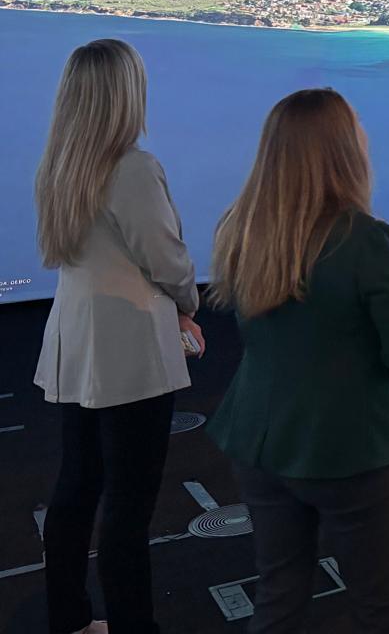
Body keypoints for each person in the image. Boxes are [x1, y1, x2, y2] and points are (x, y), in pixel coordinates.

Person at [207, 89, 389, 634]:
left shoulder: (242, 228)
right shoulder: (367, 240)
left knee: (278, 595)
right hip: (349, 448)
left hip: (258, 441)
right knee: (381, 609)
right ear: (342, 150)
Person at [33, 39, 203, 634]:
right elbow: (169, 261)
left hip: (74, 342)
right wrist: (189, 305)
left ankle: (70, 620)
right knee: (129, 504)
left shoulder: (60, 162)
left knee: (76, 486)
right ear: (125, 94)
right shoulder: (131, 167)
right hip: (130, 352)